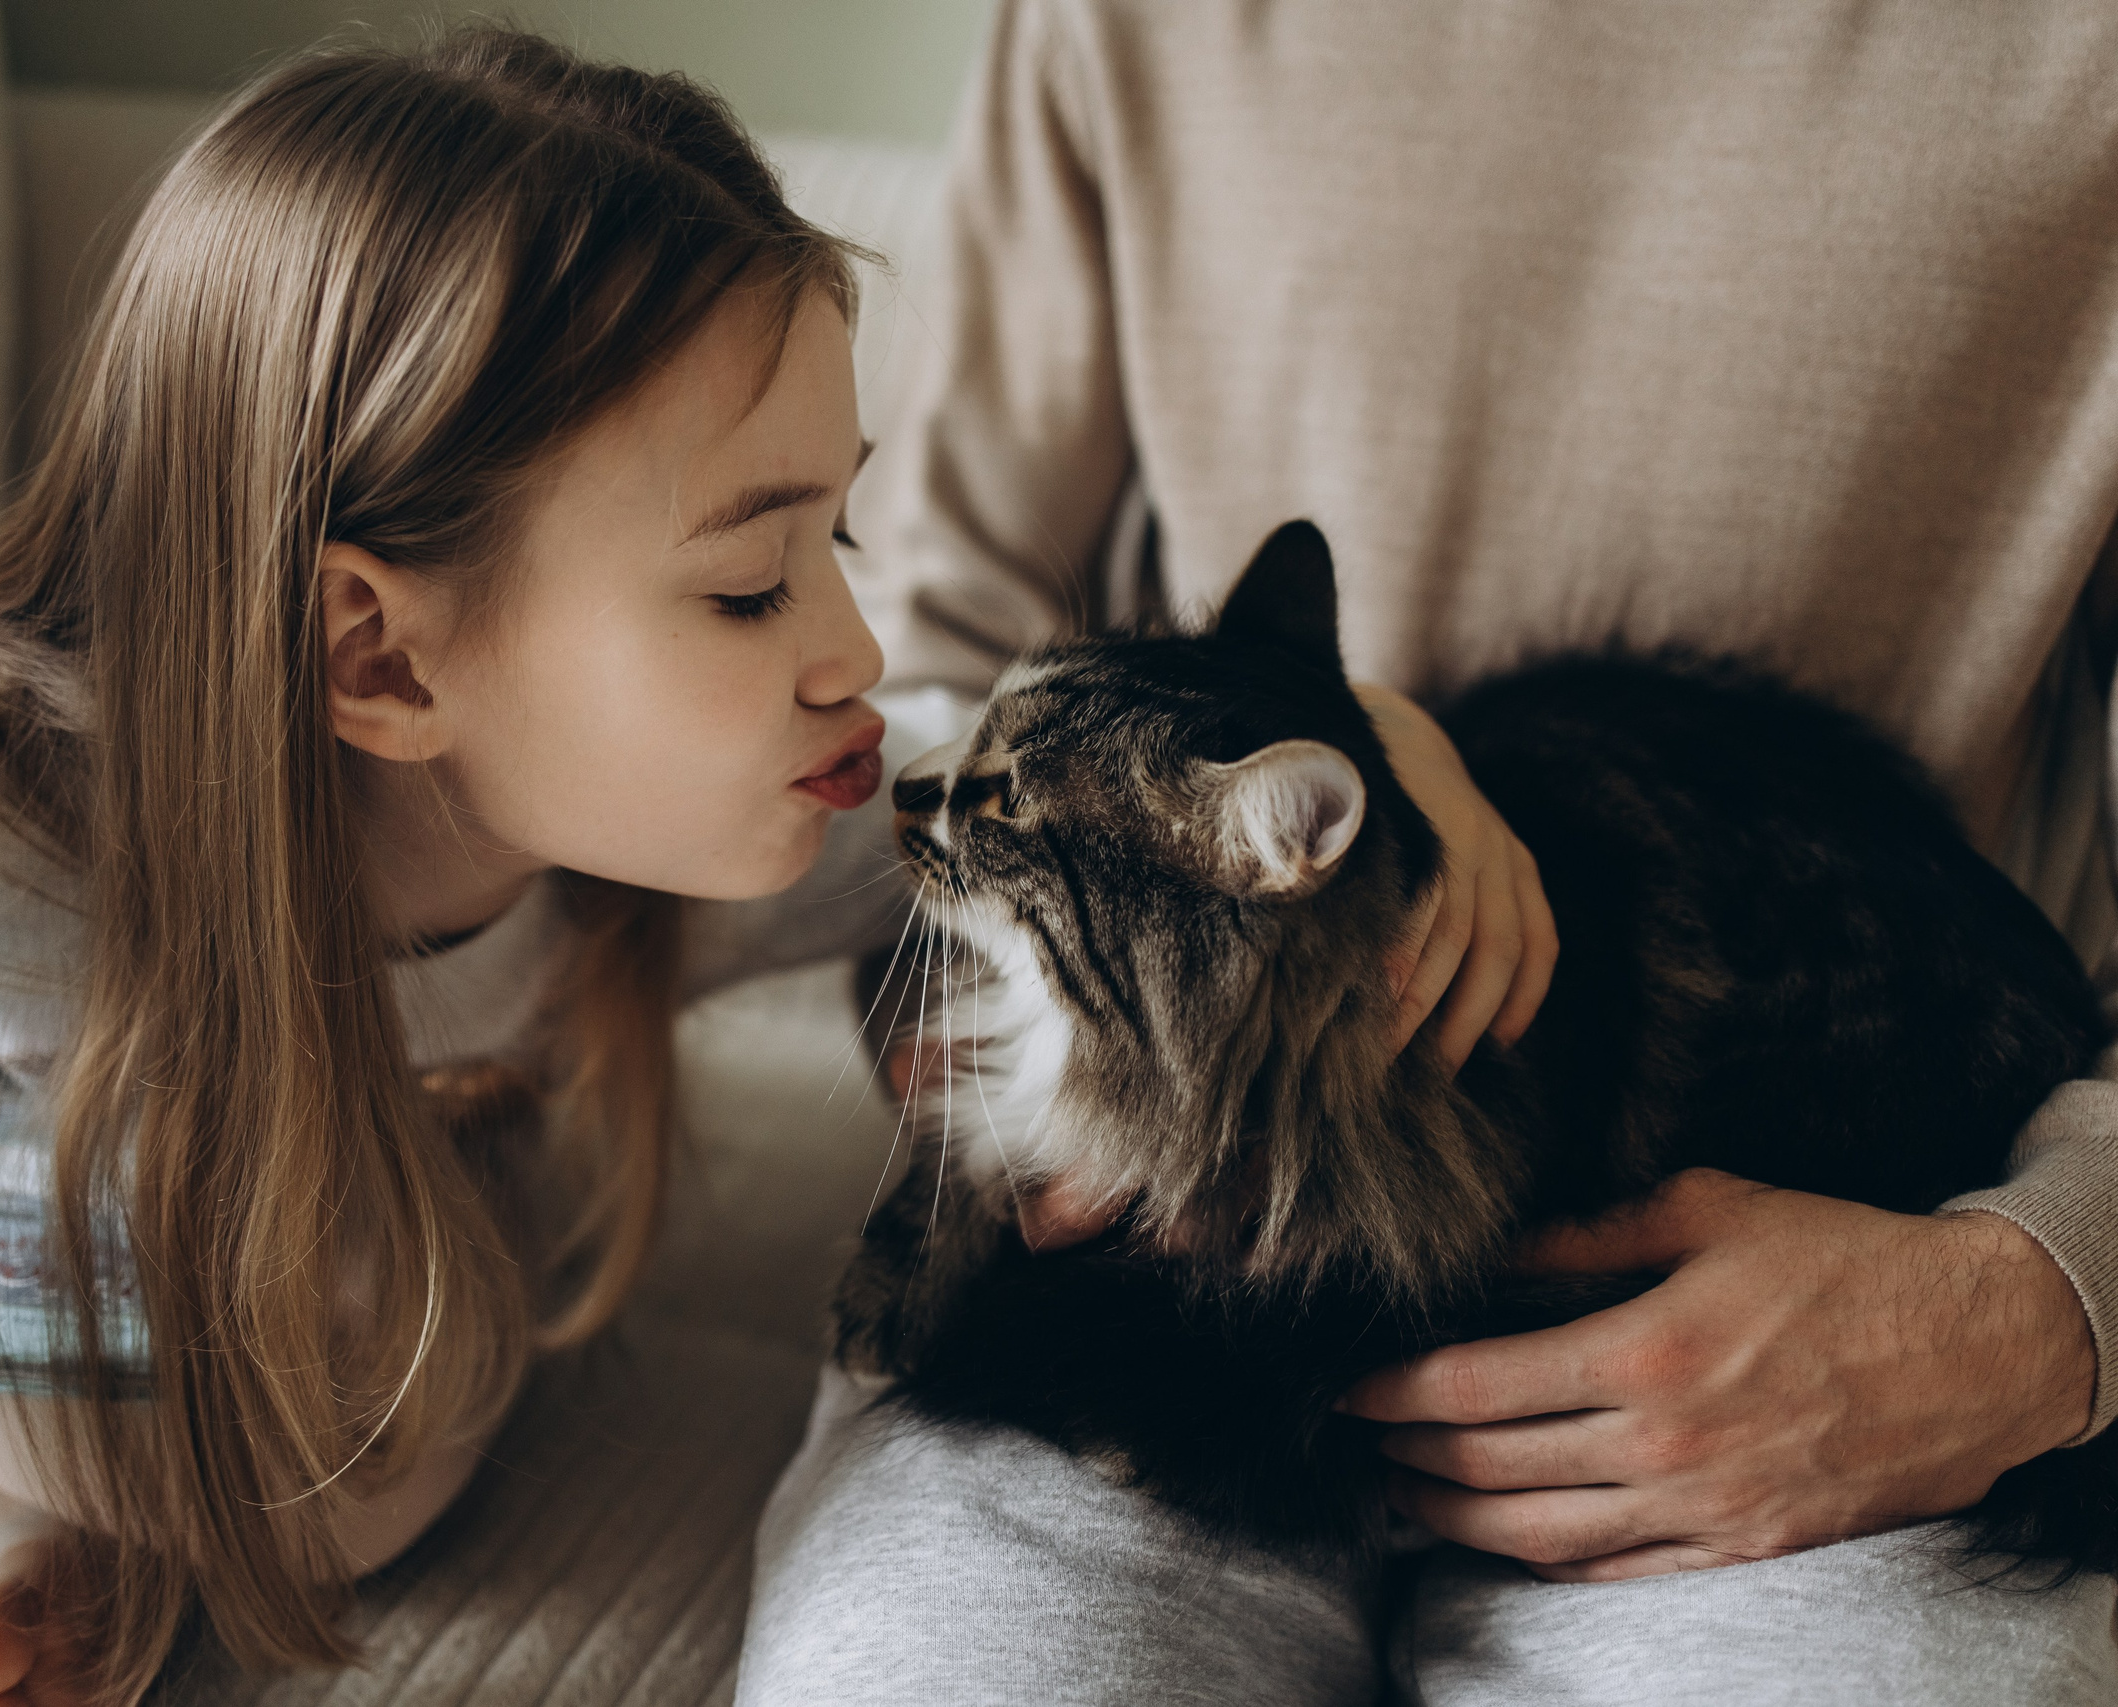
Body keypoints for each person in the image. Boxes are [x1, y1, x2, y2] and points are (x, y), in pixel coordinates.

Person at [0, 32, 965, 1706]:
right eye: (751, 586)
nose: (853, 651)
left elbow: (1039, 781)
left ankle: (19, 1502)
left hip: (306, 1166)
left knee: (366, 1447)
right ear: (378, 657)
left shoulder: (709, 826)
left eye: (843, 541)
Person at [739, 2, 2118, 1703]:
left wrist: (2048, 1297)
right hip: (1137, 1132)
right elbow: (918, 662)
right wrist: (1016, 1090)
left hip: (1826, 1283)